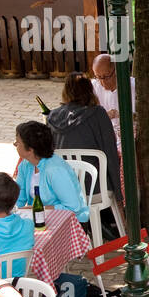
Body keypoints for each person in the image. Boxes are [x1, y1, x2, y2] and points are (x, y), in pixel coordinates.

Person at [47, 72, 122, 208]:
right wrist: (119, 196)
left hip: (63, 190)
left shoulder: (52, 116)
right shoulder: (98, 114)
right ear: (90, 90)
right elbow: (111, 154)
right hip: (95, 189)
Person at [13, 121, 90, 224]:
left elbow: (73, 207)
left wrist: (41, 209)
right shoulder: (25, 165)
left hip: (69, 222)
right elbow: (19, 199)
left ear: (30, 150)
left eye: (17, 142)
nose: (15, 144)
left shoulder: (55, 170)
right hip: (38, 217)